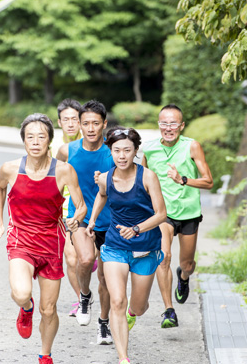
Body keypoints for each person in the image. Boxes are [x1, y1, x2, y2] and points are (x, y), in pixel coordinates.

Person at [0, 113, 87, 364]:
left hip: (51, 244)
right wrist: (0, 222)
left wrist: (75, 219)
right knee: (22, 293)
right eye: (30, 137)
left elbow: (81, 206)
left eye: (41, 137)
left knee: (49, 309)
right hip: (21, 240)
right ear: (23, 141)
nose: (35, 142)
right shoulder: (10, 169)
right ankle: (25, 308)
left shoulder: (64, 171)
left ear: (49, 142)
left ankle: (45, 355)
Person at [87, 127, 166, 364]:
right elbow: (102, 194)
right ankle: (123, 358)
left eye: (127, 150)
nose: (122, 156)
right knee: (118, 300)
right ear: (110, 151)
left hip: (145, 248)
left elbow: (162, 214)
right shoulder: (104, 177)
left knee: (138, 307)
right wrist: (91, 220)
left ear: (135, 152)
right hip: (115, 246)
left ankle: (134, 313)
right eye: (116, 150)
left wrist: (137, 229)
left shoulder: (147, 177)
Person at [142, 104, 213, 329]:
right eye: (164, 123)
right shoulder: (149, 149)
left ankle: (183, 277)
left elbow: (209, 181)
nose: (168, 128)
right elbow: (140, 180)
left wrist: (183, 179)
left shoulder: (192, 146)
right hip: (163, 214)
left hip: (189, 213)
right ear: (159, 125)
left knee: (187, 263)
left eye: (173, 123)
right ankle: (168, 310)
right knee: (164, 257)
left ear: (181, 126)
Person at [57, 99, 114, 345]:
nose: (90, 128)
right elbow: (55, 183)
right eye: (85, 123)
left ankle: (103, 323)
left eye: (95, 123)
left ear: (104, 124)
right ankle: (84, 295)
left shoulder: (115, 151)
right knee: (85, 259)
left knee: (105, 278)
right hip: (79, 217)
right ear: (78, 125)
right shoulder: (67, 151)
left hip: (112, 221)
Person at [56, 98, 97, 317]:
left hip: (97, 212)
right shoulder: (55, 147)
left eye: (75, 119)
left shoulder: (92, 141)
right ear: (59, 122)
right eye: (66, 119)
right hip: (67, 211)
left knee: (86, 259)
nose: (71, 124)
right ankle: (81, 298)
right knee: (71, 259)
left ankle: (90, 263)